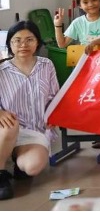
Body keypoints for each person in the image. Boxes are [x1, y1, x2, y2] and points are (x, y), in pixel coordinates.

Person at [0, 21, 59, 200]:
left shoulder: (46, 65)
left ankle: (17, 158)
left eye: (29, 39)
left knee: (32, 167)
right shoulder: (1, 70)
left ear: (37, 42)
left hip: (34, 130)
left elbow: (55, 96)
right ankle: (0, 174)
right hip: (5, 129)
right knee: (10, 125)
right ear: (10, 44)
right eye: (17, 40)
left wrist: (53, 114)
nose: (23, 45)